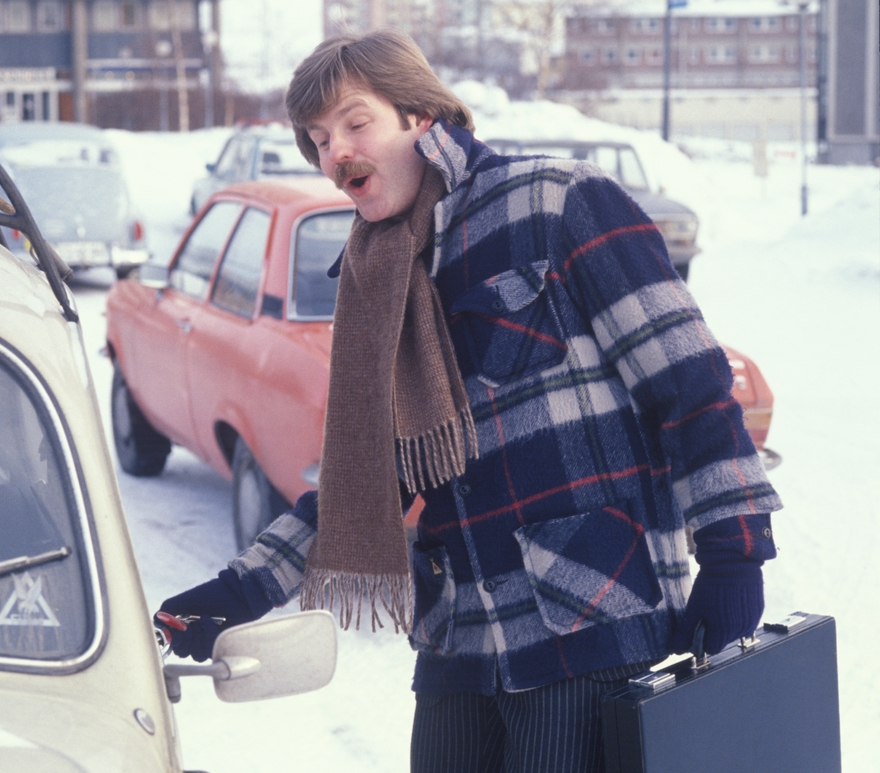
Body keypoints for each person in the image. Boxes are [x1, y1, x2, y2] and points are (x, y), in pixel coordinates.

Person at [153, 31, 780, 773]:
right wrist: (241, 588)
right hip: (460, 640)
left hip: (588, 616)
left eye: (356, 124)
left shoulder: (556, 202)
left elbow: (690, 382)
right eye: (318, 140)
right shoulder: (375, 274)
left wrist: (734, 552)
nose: (335, 154)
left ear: (421, 115)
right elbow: (367, 481)